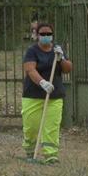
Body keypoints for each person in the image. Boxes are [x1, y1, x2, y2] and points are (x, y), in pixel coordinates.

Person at [21, 22, 73, 164]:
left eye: (48, 34)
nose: (45, 36)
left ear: (52, 35)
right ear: (37, 36)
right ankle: (31, 151)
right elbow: (30, 69)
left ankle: (51, 156)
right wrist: (42, 83)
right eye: (42, 34)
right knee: (31, 126)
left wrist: (61, 58)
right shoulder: (32, 51)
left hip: (54, 96)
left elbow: (68, 69)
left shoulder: (57, 49)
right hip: (33, 94)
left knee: (51, 127)